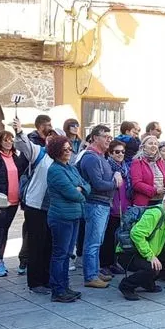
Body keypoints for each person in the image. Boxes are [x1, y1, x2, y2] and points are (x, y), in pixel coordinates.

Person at [116, 189, 165, 301]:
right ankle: (126, 286)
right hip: (129, 253)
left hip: (147, 250)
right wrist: (150, 256)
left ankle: (146, 281)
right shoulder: (155, 213)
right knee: (152, 267)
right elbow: (136, 234)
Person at [46, 135, 91, 303]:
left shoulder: (70, 168)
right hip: (61, 218)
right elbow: (73, 194)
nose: (68, 152)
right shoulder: (55, 170)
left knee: (66, 255)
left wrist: (81, 189)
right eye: (64, 149)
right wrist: (79, 190)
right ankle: (57, 290)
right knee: (60, 254)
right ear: (56, 151)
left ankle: (65, 286)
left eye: (69, 149)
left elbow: (86, 185)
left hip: (73, 216)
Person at [13, 118, 54, 293]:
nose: (52, 139)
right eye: (50, 136)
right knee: (37, 245)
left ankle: (46, 279)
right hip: (36, 206)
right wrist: (19, 131)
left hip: (52, 208)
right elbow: (24, 145)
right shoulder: (39, 152)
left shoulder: (63, 159)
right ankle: (35, 283)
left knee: (49, 245)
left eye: (56, 137)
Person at [77, 125, 118, 289]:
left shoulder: (100, 156)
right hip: (95, 204)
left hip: (102, 204)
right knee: (93, 242)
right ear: (94, 138)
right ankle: (90, 276)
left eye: (110, 136)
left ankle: (95, 271)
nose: (109, 139)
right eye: (105, 136)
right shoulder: (91, 158)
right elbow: (98, 184)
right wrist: (115, 182)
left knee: (97, 240)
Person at [0, 130, 28, 277]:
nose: (8, 142)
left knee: (5, 231)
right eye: (5, 140)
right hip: (0, 202)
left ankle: (0, 259)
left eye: (11, 140)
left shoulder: (16, 159)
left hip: (14, 201)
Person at [101, 140, 130, 276]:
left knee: (117, 238)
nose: (120, 154)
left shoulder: (125, 167)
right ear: (110, 153)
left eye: (123, 152)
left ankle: (114, 262)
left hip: (123, 207)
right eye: (117, 152)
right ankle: (105, 264)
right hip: (112, 207)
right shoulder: (108, 166)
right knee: (108, 237)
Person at [130, 135, 165, 206]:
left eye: (155, 144)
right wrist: (155, 191)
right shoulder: (138, 161)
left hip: (161, 201)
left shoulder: (160, 161)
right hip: (145, 202)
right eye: (150, 143)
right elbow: (136, 183)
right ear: (143, 147)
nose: (153, 146)